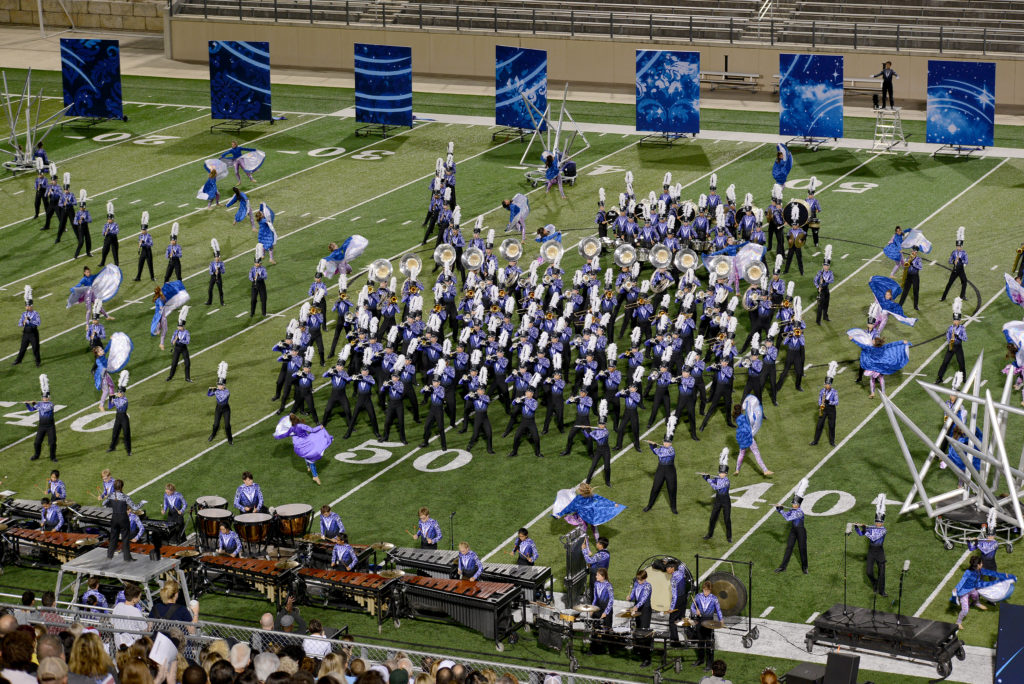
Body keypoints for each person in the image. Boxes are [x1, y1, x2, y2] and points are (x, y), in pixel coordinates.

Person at [952, 555, 1016, 630]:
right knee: (965, 610)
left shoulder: (980, 570)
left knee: (976, 595)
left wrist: (1004, 575)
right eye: (981, 563)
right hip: (964, 592)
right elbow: (962, 581)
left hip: (973, 588)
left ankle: (976, 603)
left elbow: (992, 573)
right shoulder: (968, 573)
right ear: (978, 565)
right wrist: (956, 588)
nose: (982, 564)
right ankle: (958, 622)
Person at [274, 414, 333, 485]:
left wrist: (278, 436)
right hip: (307, 443)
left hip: (300, 445)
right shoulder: (301, 425)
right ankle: (315, 476)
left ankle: (308, 467)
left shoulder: (292, 428)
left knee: (306, 455)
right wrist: (320, 427)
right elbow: (312, 430)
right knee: (311, 459)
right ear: (296, 418)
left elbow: (286, 434)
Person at [855, 494, 889, 597]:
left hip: (879, 552)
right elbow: (861, 534)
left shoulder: (883, 530)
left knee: (881, 573)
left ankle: (882, 591)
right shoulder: (872, 528)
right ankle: (874, 583)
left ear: (882, 523)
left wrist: (866, 529)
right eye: (877, 522)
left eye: (880, 523)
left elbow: (873, 537)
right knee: (869, 572)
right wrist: (857, 527)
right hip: (871, 551)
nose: (878, 524)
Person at [642, 419, 678, 514]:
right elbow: (656, 452)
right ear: (663, 441)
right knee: (655, 488)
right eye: (665, 442)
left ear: (671, 443)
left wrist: (653, 447)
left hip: (670, 471)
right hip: (661, 470)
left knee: (672, 489)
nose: (666, 444)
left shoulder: (671, 450)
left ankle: (673, 508)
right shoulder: (662, 448)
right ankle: (649, 505)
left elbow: (660, 454)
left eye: (668, 442)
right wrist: (652, 446)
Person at [774, 478, 809, 574]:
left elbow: (787, 518)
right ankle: (783, 567)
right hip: (793, 530)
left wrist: (780, 510)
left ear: (798, 504)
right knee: (789, 547)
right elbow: (788, 514)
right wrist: (779, 509)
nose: (793, 505)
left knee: (802, 548)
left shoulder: (799, 513)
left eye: (794, 503)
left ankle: (805, 567)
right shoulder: (793, 510)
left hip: (801, 531)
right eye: (793, 503)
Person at [691, 580, 723, 670]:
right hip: (700, 621)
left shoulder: (714, 599)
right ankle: (700, 659)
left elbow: (718, 610)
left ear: (710, 590)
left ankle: (709, 663)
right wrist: (695, 611)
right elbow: (692, 607)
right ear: (703, 589)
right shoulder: (698, 596)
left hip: (709, 622)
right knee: (700, 642)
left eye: (708, 591)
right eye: (705, 590)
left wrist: (721, 620)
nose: (706, 592)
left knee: (709, 643)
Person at [702, 449, 733, 543]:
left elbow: (716, 487)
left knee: (727, 519)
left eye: (722, 473)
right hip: (718, 500)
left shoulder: (726, 481)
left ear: (726, 473)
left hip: (725, 500)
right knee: (713, 518)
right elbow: (714, 480)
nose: (720, 474)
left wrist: (707, 480)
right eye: (719, 473)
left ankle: (729, 537)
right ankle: (709, 534)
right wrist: (707, 476)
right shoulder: (718, 478)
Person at [104, 479, 138, 561]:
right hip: (123, 518)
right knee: (125, 538)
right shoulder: (125, 497)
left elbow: (104, 504)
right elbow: (135, 507)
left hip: (114, 518)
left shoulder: (111, 496)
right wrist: (142, 503)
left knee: (113, 538)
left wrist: (111, 504)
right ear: (122, 487)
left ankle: (109, 556)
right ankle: (127, 558)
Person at [936, 298, 967, 384]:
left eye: (957, 320)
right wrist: (950, 341)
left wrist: (958, 336)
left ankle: (964, 378)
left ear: (960, 321)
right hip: (951, 346)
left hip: (958, 347)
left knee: (961, 363)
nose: (955, 322)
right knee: (945, 362)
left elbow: (965, 338)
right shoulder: (950, 328)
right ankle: (939, 377)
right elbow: (947, 337)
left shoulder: (962, 329)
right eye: (954, 320)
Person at [26, 374, 57, 461]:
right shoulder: (39, 404)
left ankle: (53, 457)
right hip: (41, 426)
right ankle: (36, 455)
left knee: (52, 443)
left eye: (46, 397)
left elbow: (46, 408)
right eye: (44, 397)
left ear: (49, 398)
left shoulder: (51, 404)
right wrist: (27, 404)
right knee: (37, 442)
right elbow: (31, 410)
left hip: (50, 426)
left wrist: (35, 403)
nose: (45, 399)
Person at [809, 362, 839, 447]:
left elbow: (836, 402)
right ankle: (815, 441)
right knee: (819, 425)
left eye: (828, 384)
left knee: (831, 426)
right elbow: (819, 399)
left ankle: (832, 442)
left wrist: (829, 402)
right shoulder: (822, 391)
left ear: (831, 385)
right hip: (823, 409)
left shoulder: (834, 392)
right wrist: (820, 404)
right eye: (826, 384)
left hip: (831, 410)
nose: (827, 386)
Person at [627, 570, 653, 666]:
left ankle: (647, 658)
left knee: (644, 632)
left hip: (645, 610)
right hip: (637, 608)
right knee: (637, 630)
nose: (639, 581)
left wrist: (636, 606)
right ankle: (638, 650)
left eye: (640, 580)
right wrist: (630, 597)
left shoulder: (647, 586)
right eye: (638, 579)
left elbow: (643, 599)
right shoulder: (636, 583)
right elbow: (634, 593)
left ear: (645, 578)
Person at [110, 584, 145, 649]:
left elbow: (112, 622)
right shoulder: (136, 611)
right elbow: (144, 628)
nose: (140, 599)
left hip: (118, 642)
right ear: (134, 599)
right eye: (139, 597)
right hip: (133, 644)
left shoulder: (118, 606)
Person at [665, 559, 690, 647]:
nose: (666, 569)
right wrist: (675, 561)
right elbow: (683, 564)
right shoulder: (681, 571)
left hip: (678, 600)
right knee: (681, 618)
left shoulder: (673, 579)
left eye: (668, 567)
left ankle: (675, 642)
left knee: (672, 621)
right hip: (684, 598)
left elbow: (674, 595)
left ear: (672, 568)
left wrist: (671, 608)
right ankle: (689, 637)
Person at [14, 286, 41, 367]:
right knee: (22, 348)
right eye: (26, 306)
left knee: (35, 348)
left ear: (32, 306)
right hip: (26, 333)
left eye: (29, 306)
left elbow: (38, 323)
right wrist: (23, 322)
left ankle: (38, 362)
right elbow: (19, 324)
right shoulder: (24, 314)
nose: (27, 307)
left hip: (33, 333)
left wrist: (29, 321)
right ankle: (18, 360)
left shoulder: (35, 314)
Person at [107, 372, 132, 455]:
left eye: (120, 393)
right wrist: (111, 397)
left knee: (126, 434)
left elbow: (119, 404)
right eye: (118, 392)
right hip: (118, 417)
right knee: (115, 433)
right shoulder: (117, 399)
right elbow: (110, 406)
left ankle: (129, 451)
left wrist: (114, 398)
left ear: (123, 393)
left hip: (124, 417)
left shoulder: (125, 400)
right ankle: (112, 447)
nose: (119, 394)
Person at [208, 362, 233, 444]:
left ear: (224, 385)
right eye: (218, 384)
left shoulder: (227, 391)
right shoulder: (217, 390)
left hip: (226, 409)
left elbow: (222, 399)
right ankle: (213, 435)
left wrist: (216, 391)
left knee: (227, 426)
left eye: (220, 385)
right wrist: (210, 389)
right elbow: (208, 395)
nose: (219, 386)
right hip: (218, 408)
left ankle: (230, 439)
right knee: (215, 425)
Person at [942, 226, 968, 302]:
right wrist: (953, 261)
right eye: (957, 246)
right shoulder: (954, 252)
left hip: (961, 270)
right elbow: (949, 261)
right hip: (955, 270)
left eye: (959, 246)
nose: (958, 247)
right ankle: (943, 297)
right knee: (949, 283)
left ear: (962, 246)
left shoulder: (964, 253)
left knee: (964, 282)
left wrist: (960, 260)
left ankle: (962, 296)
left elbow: (966, 261)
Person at [167, 306, 192, 383]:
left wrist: (180, 340)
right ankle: (170, 376)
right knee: (174, 363)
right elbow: (172, 341)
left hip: (184, 348)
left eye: (180, 326)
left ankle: (187, 378)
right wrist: (174, 340)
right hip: (177, 348)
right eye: (178, 326)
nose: (179, 327)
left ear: (183, 326)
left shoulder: (186, 332)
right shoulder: (176, 332)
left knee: (187, 363)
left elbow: (187, 341)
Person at [813, 246, 834, 324]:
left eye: (827, 265)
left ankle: (825, 316)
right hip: (821, 289)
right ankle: (818, 320)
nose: (826, 267)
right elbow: (815, 280)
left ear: (829, 266)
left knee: (826, 304)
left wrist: (825, 281)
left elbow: (832, 280)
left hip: (826, 289)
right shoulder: (820, 273)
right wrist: (818, 286)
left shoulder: (830, 273)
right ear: (823, 265)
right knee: (820, 306)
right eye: (825, 265)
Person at [898, 245, 922, 311]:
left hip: (915, 276)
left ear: (916, 252)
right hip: (908, 276)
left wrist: (913, 263)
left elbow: (920, 267)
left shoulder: (918, 259)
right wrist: (903, 259)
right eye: (912, 250)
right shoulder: (908, 257)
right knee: (905, 291)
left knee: (915, 291)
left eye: (914, 251)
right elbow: (904, 266)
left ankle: (916, 306)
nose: (912, 252)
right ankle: (900, 305)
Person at [249, 245, 269, 318]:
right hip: (254, 285)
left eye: (258, 263)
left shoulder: (263, 269)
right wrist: (254, 278)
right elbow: (250, 276)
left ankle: (264, 312)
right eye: (256, 263)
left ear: (260, 263)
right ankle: (252, 312)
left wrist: (260, 276)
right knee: (253, 299)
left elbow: (265, 276)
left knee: (263, 299)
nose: (257, 264)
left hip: (261, 284)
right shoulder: (252, 269)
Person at [98, 201, 119, 267]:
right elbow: (103, 233)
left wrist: (110, 231)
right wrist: (105, 232)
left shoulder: (115, 224)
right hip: (107, 239)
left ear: (112, 219)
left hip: (114, 239)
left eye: (110, 219)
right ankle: (102, 262)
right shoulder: (106, 225)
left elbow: (117, 231)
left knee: (115, 252)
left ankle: (116, 263)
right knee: (104, 251)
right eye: (108, 219)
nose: (109, 220)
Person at [135, 214, 155, 281]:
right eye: (142, 230)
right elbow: (139, 242)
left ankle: (152, 277)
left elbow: (151, 244)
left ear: (146, 230)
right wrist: (140, 244)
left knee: (150, 265)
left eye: (143, 230)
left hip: (148, 251)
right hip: (143, 251)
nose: (142, 231)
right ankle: (138, 277)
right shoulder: (140, 236)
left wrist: (144, 243)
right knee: (140, 264)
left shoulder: (149, 236)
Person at [206, 239, 226, 306]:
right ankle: (209, 301)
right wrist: (214, 272)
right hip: (213, 277)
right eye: (216, 257)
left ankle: (222, 302)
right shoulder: (211, 263)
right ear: (214, 258)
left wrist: (219, 269)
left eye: (218, 257)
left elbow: (224, 271)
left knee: (220, 290)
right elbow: (210, 272)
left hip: (219, 277)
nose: (217, 258)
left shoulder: (222, 263)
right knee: (210, 289)